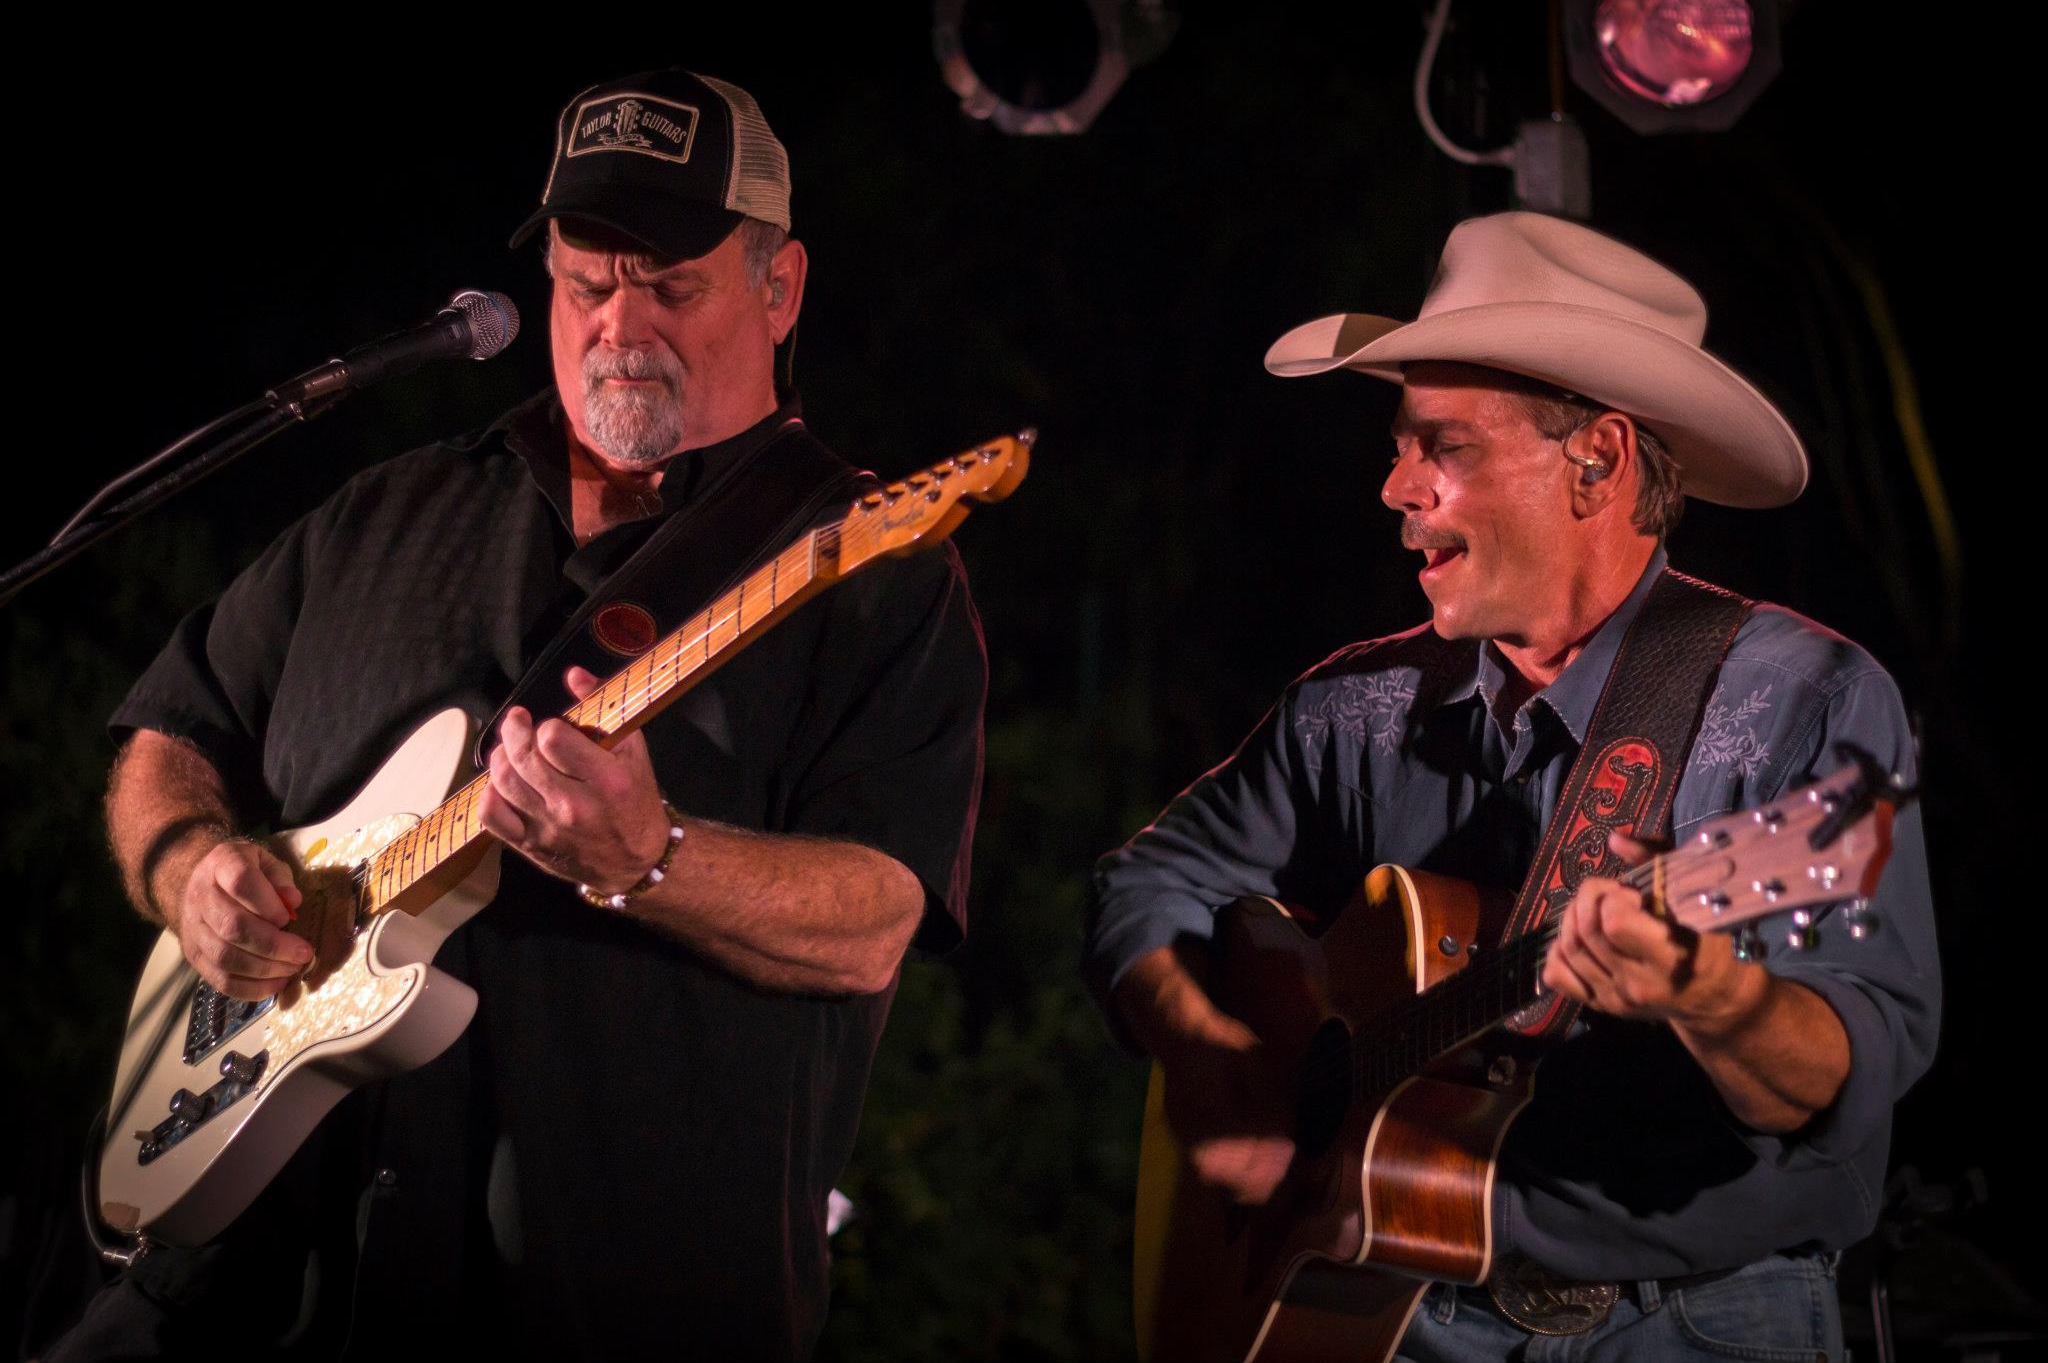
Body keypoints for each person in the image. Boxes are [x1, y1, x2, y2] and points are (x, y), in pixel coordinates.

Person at [65, 69, 986, 1361]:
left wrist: (655, 859)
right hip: (235, 1291)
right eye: (585, 281)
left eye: (670, 287)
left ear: (778, 289)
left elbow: (877, 918)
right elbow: (173, 726)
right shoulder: (383, 512)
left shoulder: (873, 571)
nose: (620, 324)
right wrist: (186, 869)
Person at [1086, 211, 1938, 1360]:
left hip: (1695, 1322)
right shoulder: (1353, 709)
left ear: (1597, 461)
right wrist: (1207, 1058)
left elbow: (1844, 1065)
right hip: (1392, 1309)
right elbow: (1145, 883)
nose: (1394, 487)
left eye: (1442, 447)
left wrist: (1713, 999)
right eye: (1398, 446)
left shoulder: (1802, 698)